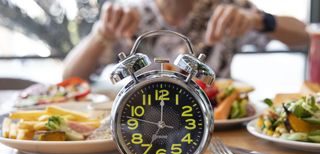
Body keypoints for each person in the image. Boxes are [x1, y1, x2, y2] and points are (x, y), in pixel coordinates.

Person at [63, 0, 309, 80]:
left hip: (218, 128)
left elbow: (304, 38)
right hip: (141, 125)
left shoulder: (228, 9)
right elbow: (69, 77)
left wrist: (259, 19)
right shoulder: (128, 12)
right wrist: (101, 34)